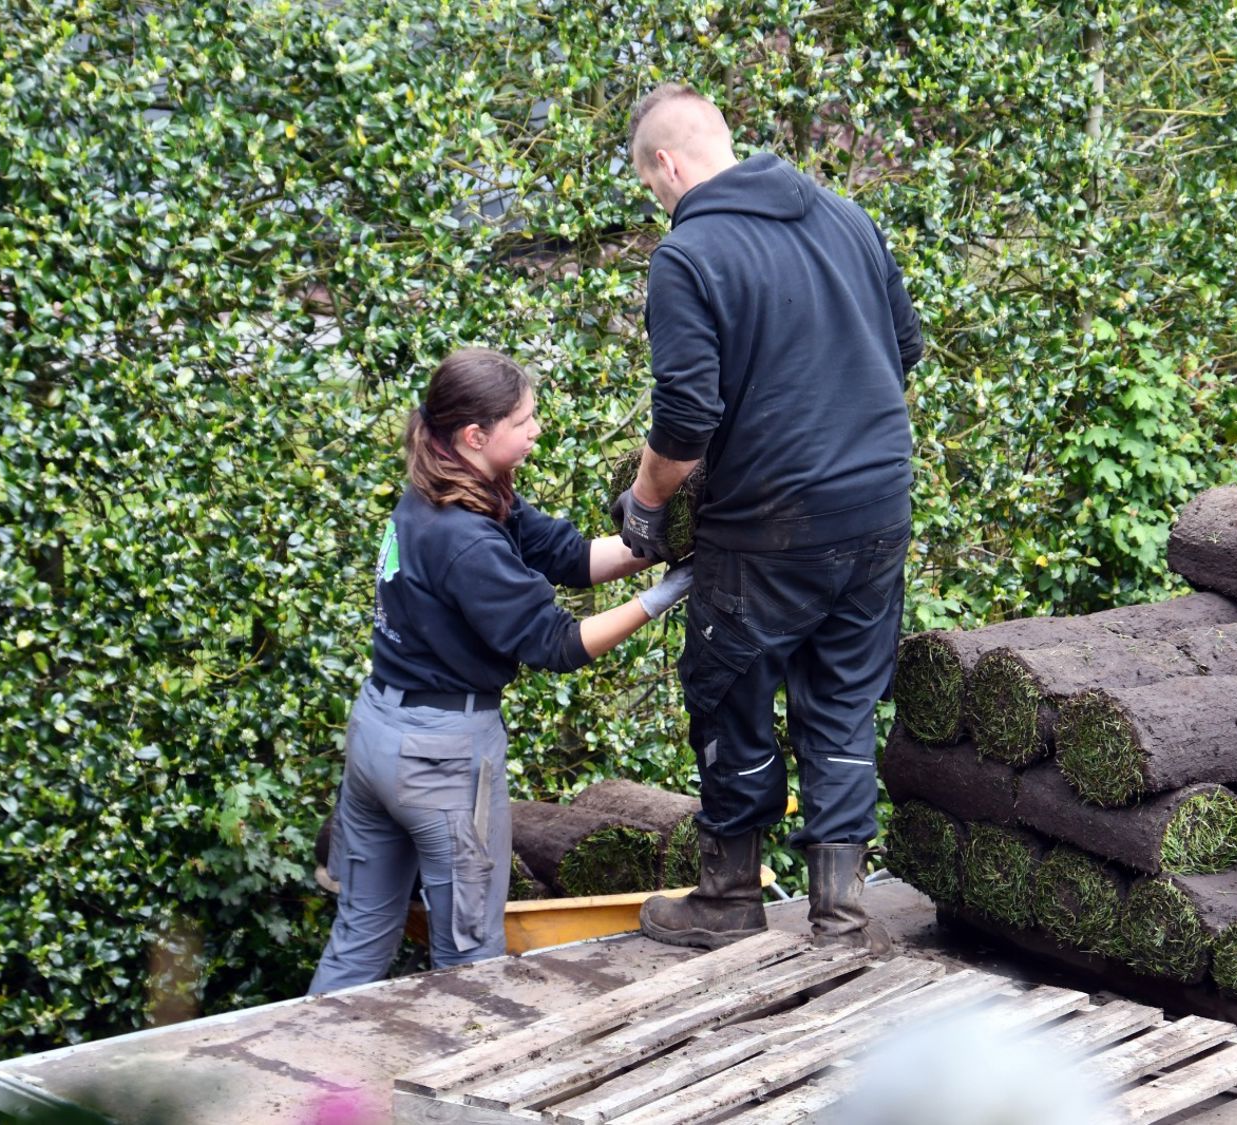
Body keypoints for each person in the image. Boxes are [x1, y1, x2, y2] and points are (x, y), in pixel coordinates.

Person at [614, 84, 924, 953]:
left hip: (768, 527)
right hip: (877, 509)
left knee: (732, 690)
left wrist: (645, 501)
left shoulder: (690, 253)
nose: (661, 202)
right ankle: (843, 915)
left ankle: (729, 897)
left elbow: (684, 418)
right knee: (843, 700)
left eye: (653, 187)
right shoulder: (848, 217)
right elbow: (904, 350)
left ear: (668, 165)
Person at [307, 347, 693, 994]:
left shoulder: (447, 493)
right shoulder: (465, 540)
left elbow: (570, 556)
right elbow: (558, 643)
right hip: (439, 754)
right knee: (468, 955)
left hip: (377, 730)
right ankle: (457, 1087)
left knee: (359, 939)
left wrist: (660, 544)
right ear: (475, 434)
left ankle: (315, 1090)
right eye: (525, 418)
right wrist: (661, 597)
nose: (537, 428)